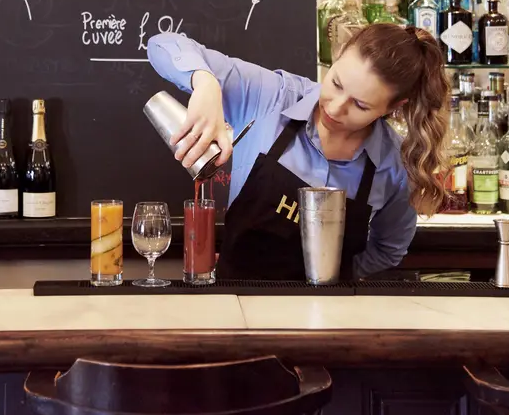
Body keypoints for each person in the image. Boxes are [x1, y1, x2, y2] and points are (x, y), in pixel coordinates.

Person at [147, 24, 449, 281]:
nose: (334, 106)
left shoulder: (395, 164)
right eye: (336, 83)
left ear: (394, 108)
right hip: (237, 305)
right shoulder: (272, 97)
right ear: (337, 57)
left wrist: (339, 274)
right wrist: (205, 83)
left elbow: (388, 249)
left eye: (360, 105)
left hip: (329, 321)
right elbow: (161, 43)